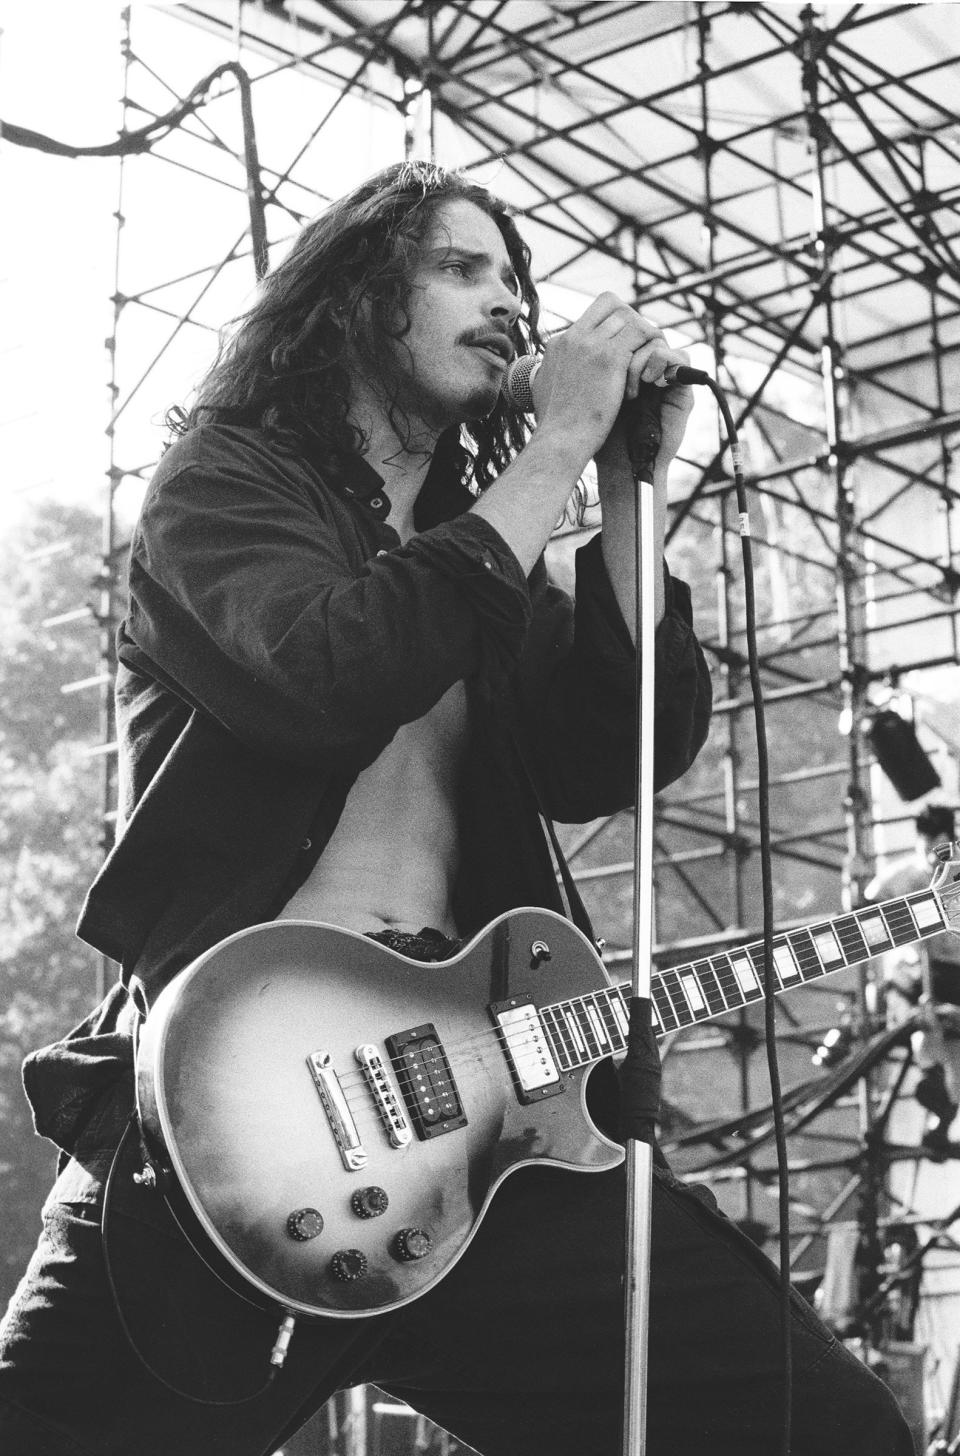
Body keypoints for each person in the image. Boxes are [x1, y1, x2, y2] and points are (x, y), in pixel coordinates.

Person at [0, 162, 911, 1455]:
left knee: (821, 1430)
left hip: (484, 1128)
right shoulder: (226, 488)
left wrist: (624, 510)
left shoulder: (488, 552)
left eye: (514, 279)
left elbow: (615, 752)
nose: (507, 304)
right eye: (460, 268)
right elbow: (332, 674)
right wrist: (549, 455)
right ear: (361, 300)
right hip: (238, 1127)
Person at [864, 803, 960, 1146]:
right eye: (927, 850)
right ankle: (935, 1086)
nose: (934, 861)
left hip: (954, 973)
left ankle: (944, 1111)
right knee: (920, 1025)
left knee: (953, 1047)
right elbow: (865, 903)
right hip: (916, 972)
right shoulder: (903, 876)